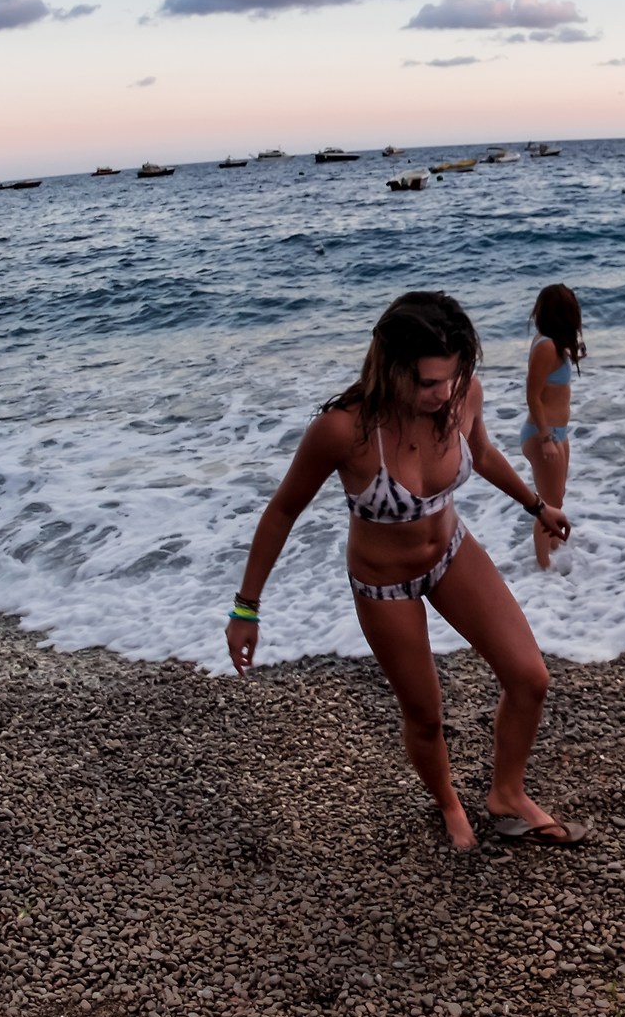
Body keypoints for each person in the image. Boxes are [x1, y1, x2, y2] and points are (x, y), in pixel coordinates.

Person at [225, 291, 586, 849]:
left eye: (452, 377)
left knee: (529, 678)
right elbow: (282, 512)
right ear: (390, 367)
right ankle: (448, 803)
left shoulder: (462, 395)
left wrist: (538, 506)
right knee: (424, 715)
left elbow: (483, 453)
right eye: (427, 383)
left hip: (451, 553)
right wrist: (246, 609)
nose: (443, 394)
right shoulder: (343, 430)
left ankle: (506, 794)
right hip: (383, 584)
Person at [521, 284, 585, 570]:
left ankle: (555, 547)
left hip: (557, 433)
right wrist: (546, 438)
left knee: (557, 498)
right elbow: (532, 395)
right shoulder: (546, 346)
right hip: (542, 434)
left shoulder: (553, 342)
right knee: (547, 504)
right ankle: (543, 567)